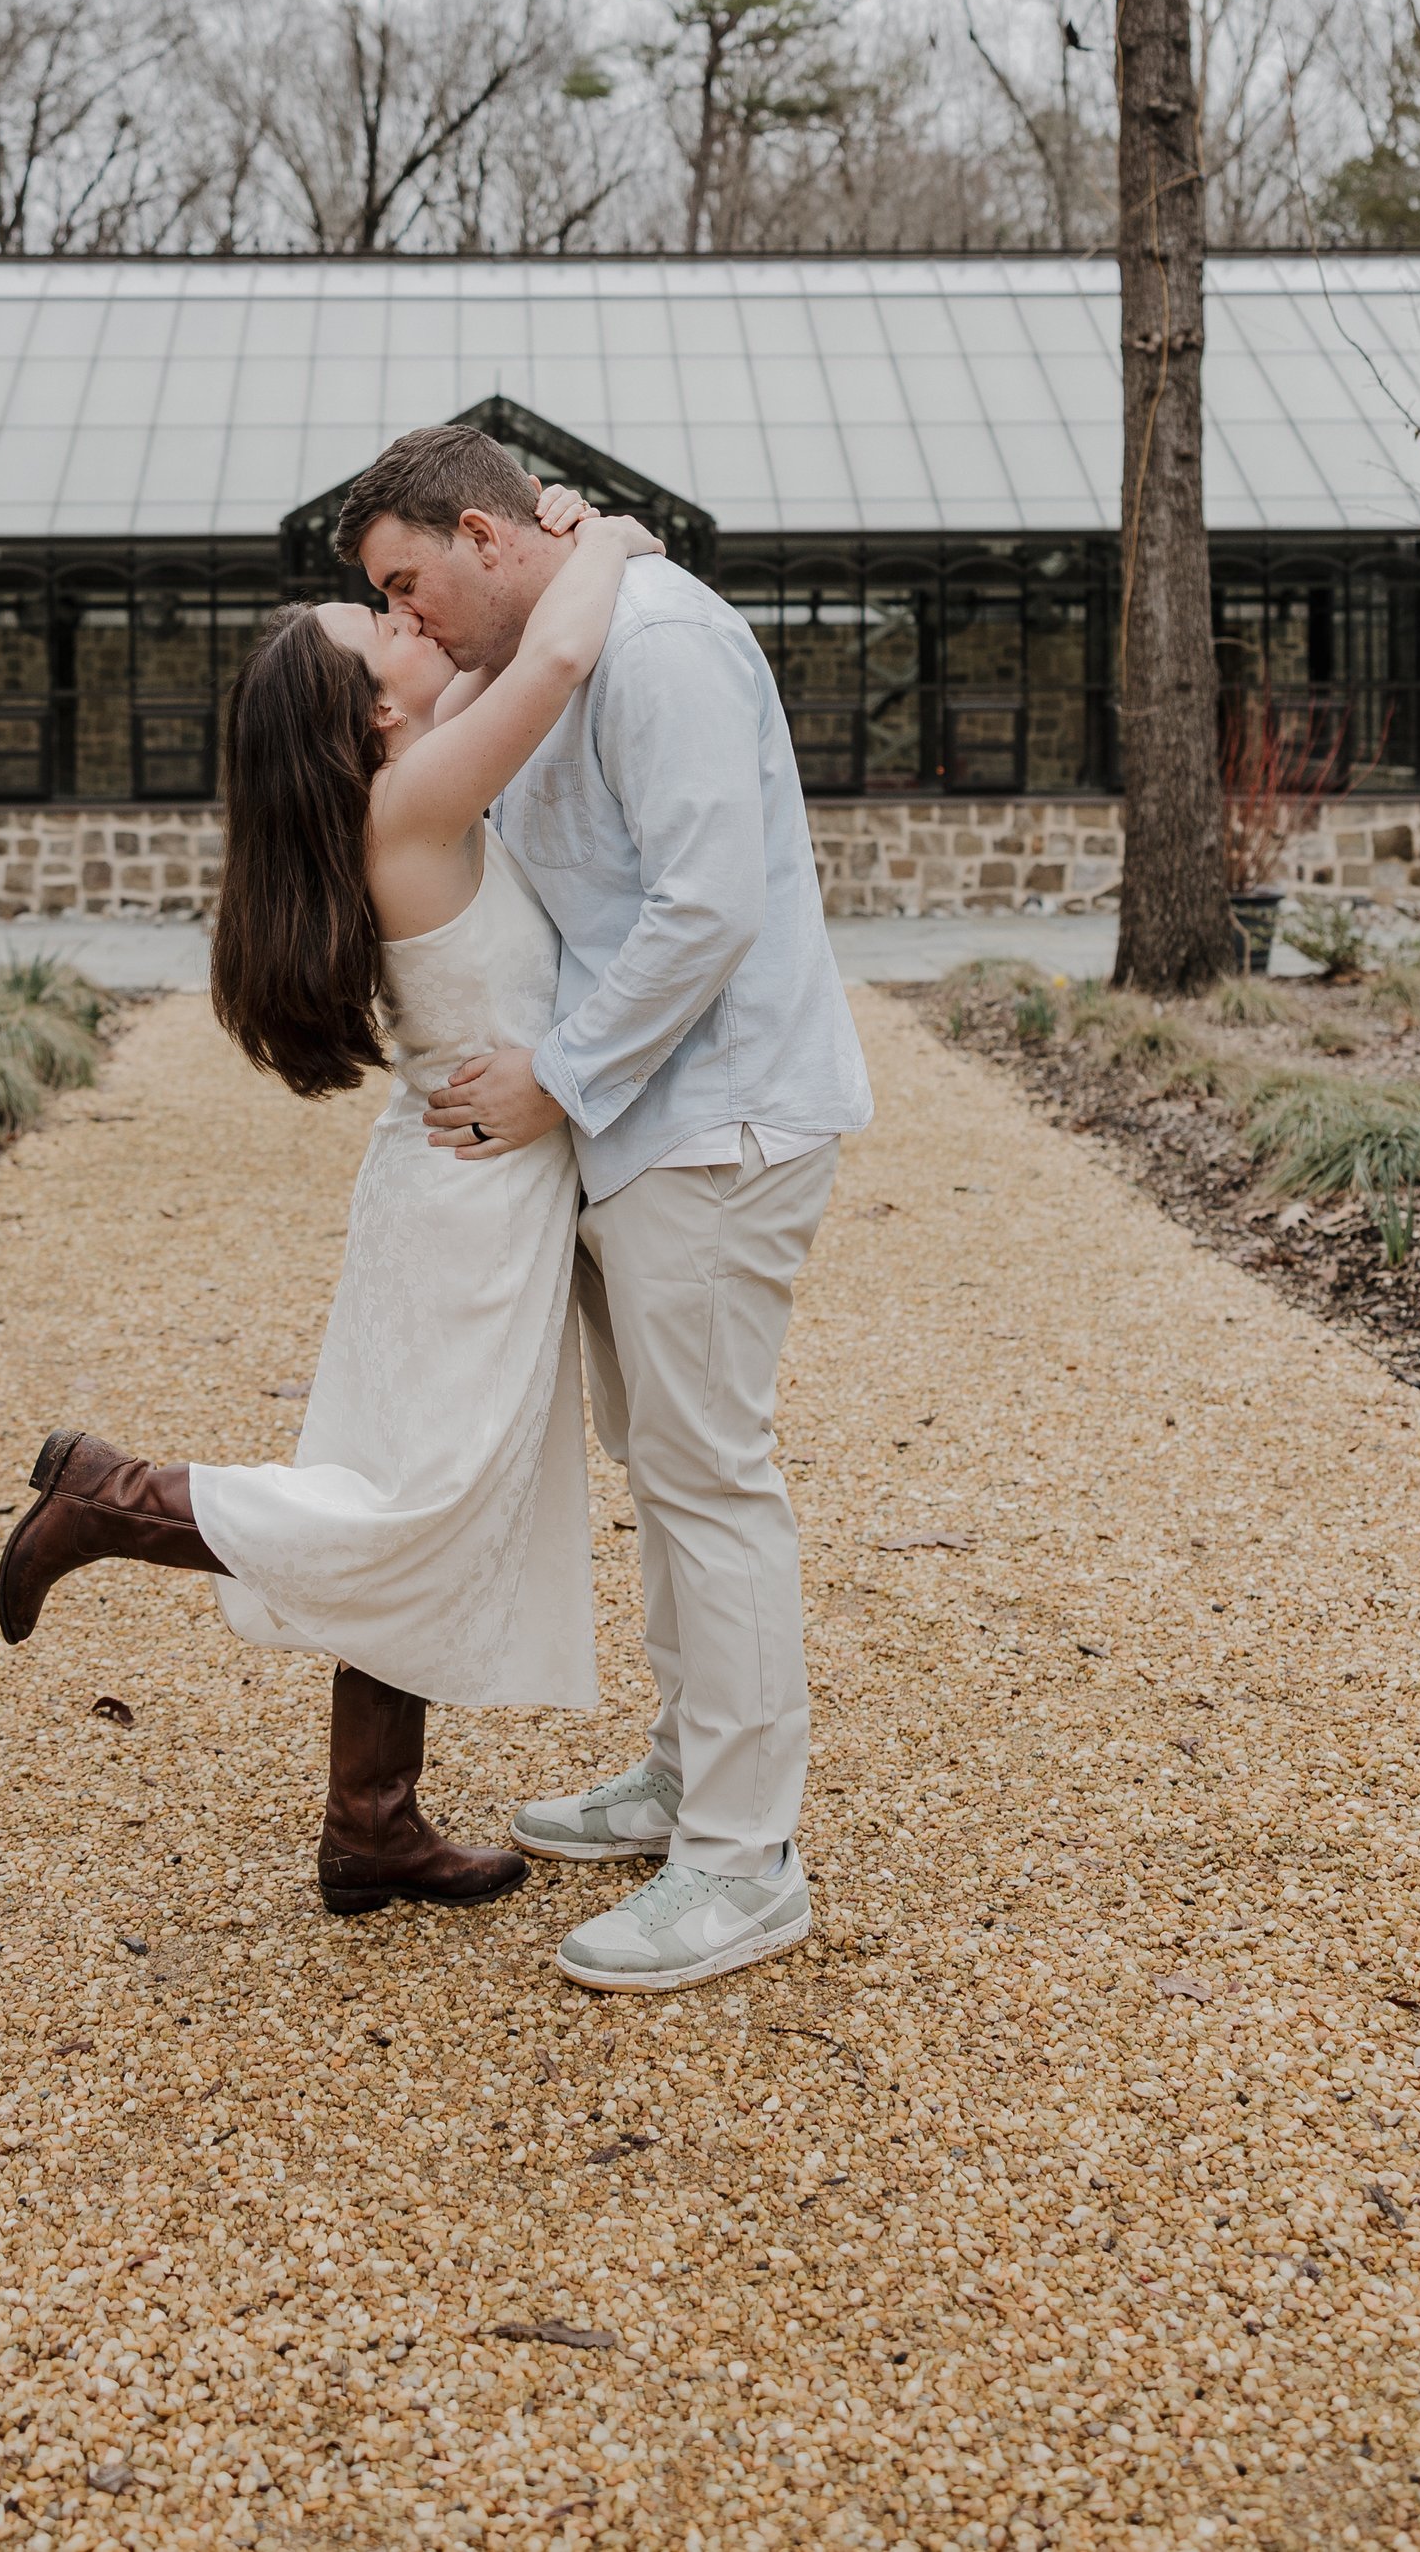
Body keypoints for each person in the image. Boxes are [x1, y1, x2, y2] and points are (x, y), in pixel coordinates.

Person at [0, 479, 662, 1921]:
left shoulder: (416, 765)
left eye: (391, 594)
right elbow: (544, 658)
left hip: (447, 1189)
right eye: (377, 620)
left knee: (392, 1486)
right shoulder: (416, 792)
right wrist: (609, 540)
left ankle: (372, 1823)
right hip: (470, 1207)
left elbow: (496, 643)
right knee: (417, 1506)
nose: (402, 613)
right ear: (370, 716)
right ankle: (116, 1498)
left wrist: (536, 538)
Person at [339, 424, 871, 1996]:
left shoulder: (663, 648)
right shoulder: (556, 652)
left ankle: (746, 1858)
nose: (410, 621)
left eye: (409, 582)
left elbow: (708, 906)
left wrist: (555, 1078)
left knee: (714, 1478)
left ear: (492, 539)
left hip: (717, 1122)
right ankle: (683, 1778)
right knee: (671, 1468)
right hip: (640, 1130)